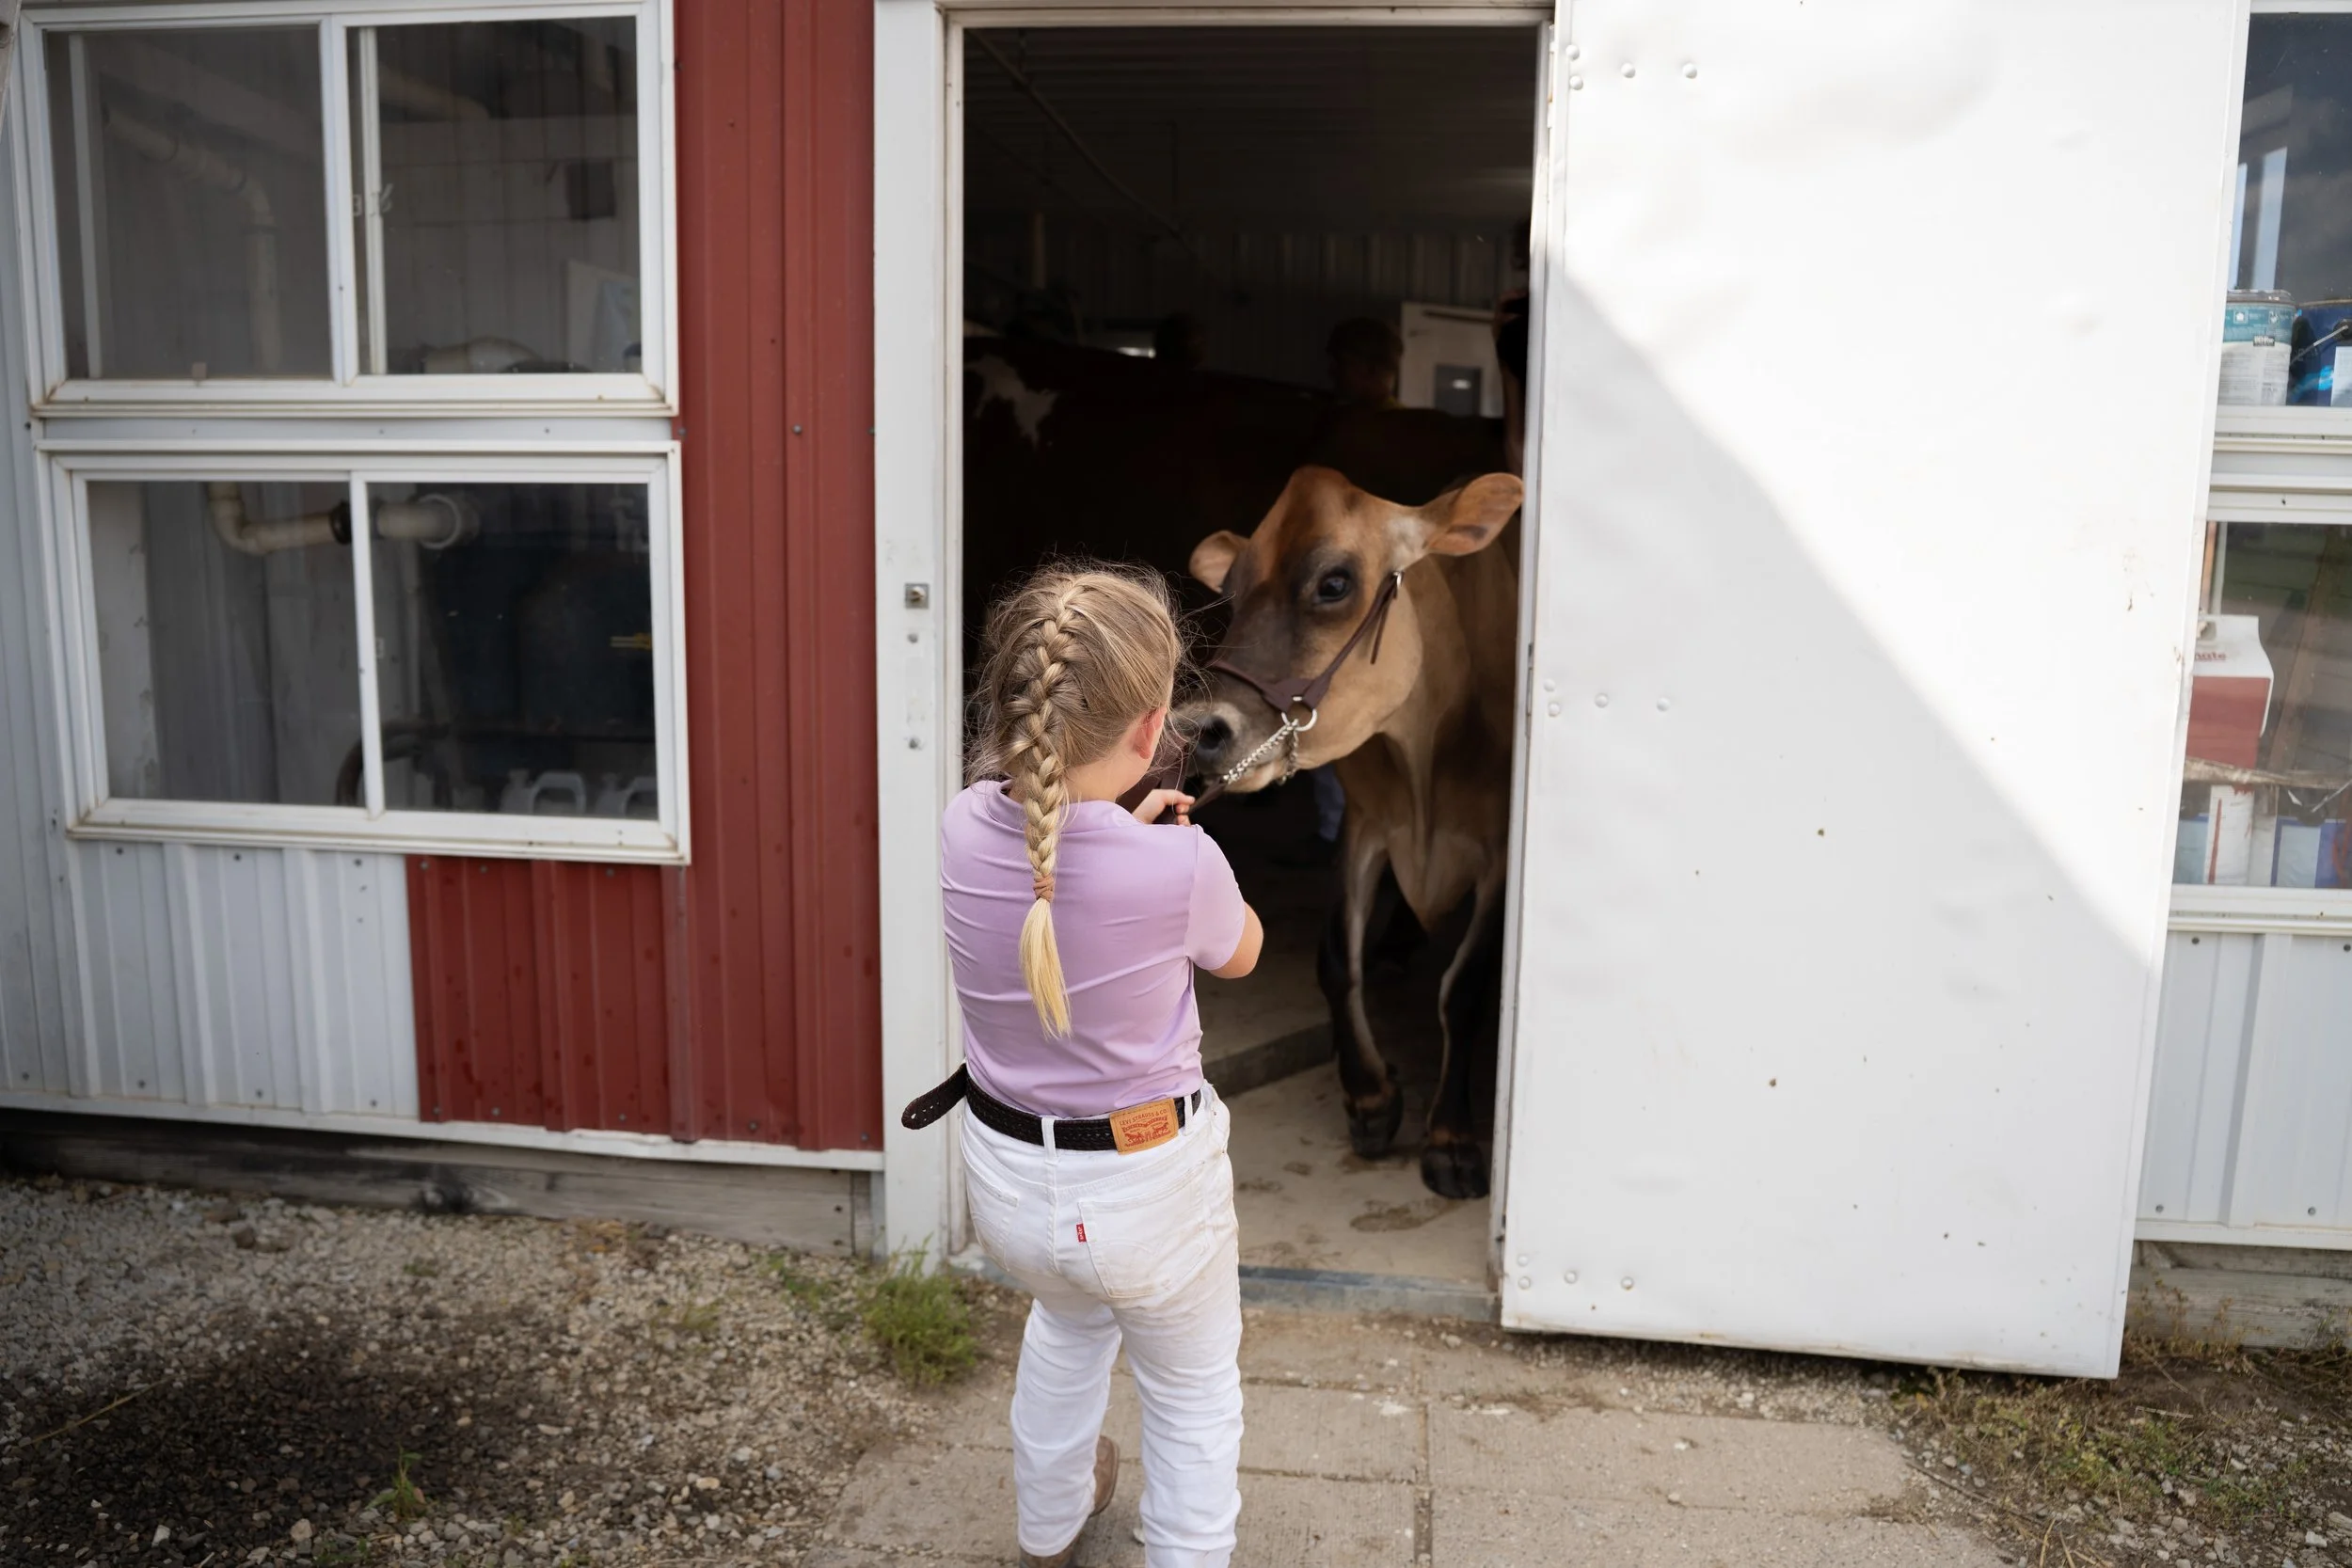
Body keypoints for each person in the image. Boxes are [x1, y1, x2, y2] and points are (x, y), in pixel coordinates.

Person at [933, 565, 1264, 1568]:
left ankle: (1047, 1527)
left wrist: (1118, 828)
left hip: (1007, 1183)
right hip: (1147, 1188)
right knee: (1193, 1389)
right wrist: (1164, 847)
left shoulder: (958, 824)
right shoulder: (1179, 863)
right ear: (1152, 722)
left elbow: (1054, 854)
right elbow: (1241, 950)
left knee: (1066, 1328)